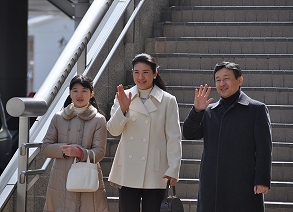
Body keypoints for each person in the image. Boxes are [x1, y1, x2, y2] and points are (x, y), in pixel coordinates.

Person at [183, 61, 272, 212]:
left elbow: (264, 148)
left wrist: (262, 180)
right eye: (218, 80)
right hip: (212, 184)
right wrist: (197, 111)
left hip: (243, 183)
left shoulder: (256, 110)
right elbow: (189, 133)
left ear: (240, 80)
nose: (221, 83)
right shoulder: (209, 111)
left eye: (226, 78)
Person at [107, 53, 182, 212]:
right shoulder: (123, 96)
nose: (140, 77)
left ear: (155, 73)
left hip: (156, 170)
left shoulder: (168, 100)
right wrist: (123, 109)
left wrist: (174, 168)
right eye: (136, 72)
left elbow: (173, 137)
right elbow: (113, 130)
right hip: (128, 168)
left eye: (145, 72)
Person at [41, 74, 109, 212]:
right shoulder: (58, 117)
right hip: (60, 179)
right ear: (69, 93)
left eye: (84, 90)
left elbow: (100, 153)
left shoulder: (99, 120)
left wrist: (79, 153)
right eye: (75, 90)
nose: (79, 94)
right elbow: (45, 147)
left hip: (87, 177)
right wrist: (65, 151)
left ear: (91, 94)